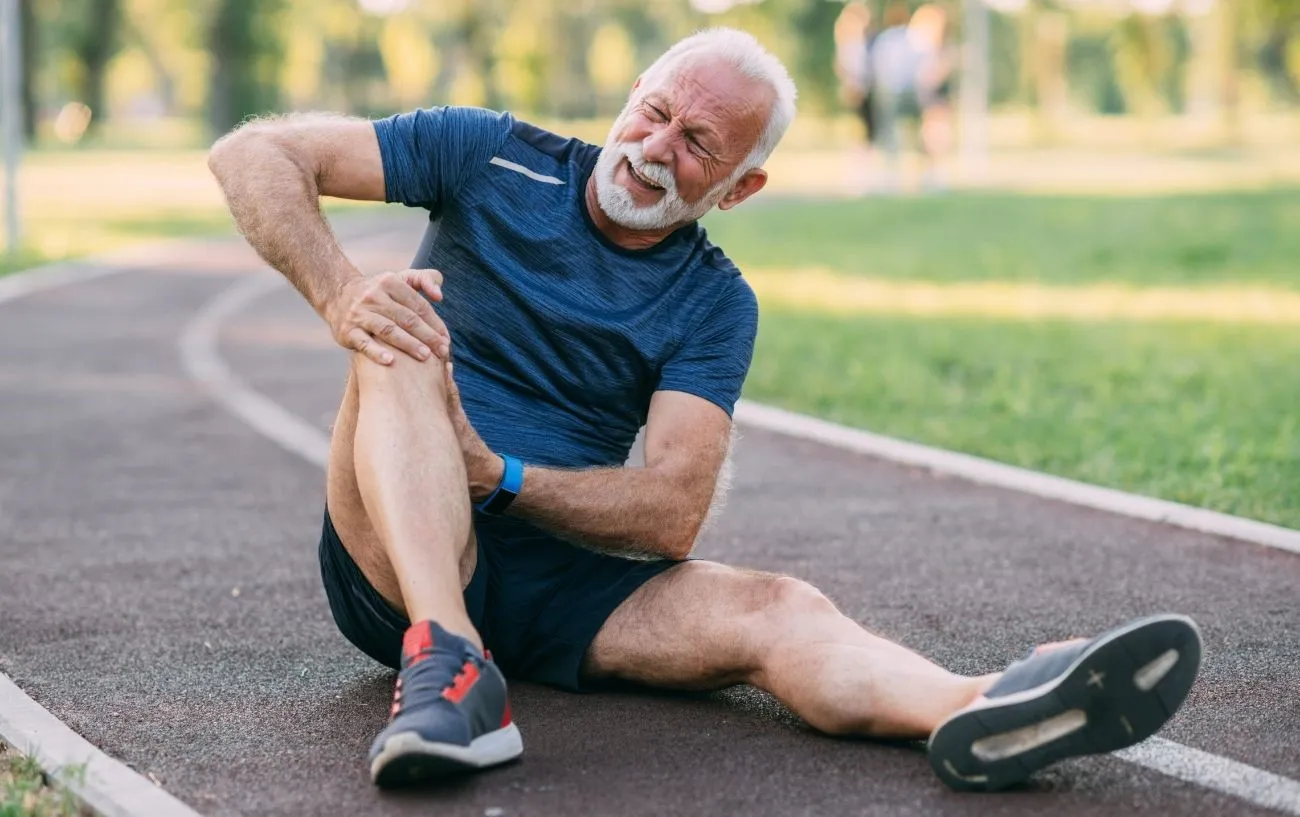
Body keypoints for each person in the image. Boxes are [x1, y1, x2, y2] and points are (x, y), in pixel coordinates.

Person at [207, 27, 1202, 792]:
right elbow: (250, 158)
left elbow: (671, 510)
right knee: (400, 332)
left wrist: (495, 475)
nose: (651, 148)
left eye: (696, 144)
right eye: (651, 112)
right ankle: (447, 658)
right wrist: (340, 291)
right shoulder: (486, 153)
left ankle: (987, 703)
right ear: (628, 96)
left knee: (776, 607)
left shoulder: (714, 302)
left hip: (560, 577)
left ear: (738, 186)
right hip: (394, 553)